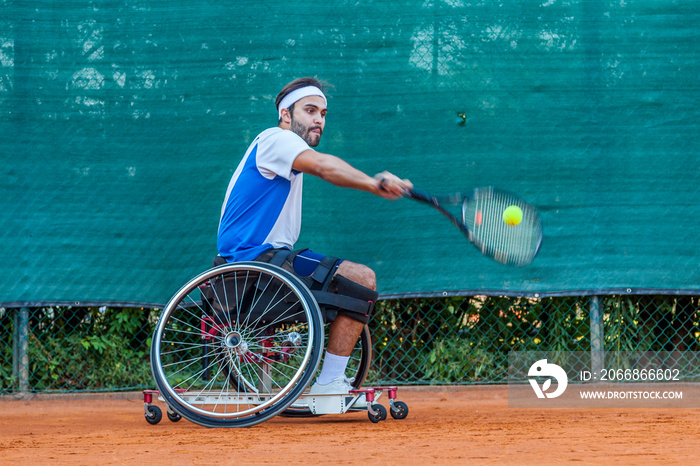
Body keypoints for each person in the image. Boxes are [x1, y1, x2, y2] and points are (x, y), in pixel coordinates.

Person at [217, 77, 412, 398]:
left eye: (323, 112)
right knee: (360, 278)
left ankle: (330, 382)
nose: (319, 119)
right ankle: (329, 384)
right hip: (254, 261)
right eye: (309, 110)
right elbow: (323, 166)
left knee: (350, 282)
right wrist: (374, 183)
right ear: (285, 115)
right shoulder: (275, 139)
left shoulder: (282, 153)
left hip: (265, 261)